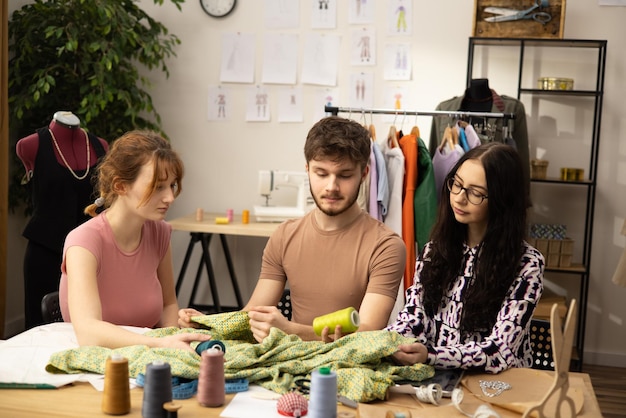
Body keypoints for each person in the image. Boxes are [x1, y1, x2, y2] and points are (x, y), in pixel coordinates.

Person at [179, 116, 407, 342]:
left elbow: (367, 334)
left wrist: (290, 331)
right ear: (307, 170)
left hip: (349, 366)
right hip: (291, 361)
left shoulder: (386, 246)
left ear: (364, 174)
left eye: (345, 176)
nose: (332, 186)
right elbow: (252, 315)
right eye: (321, 173)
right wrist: (209, 324)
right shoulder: (285, 236)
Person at [386, 142, 544, 373]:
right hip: (438, 379)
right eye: (456, 185)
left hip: (498, 387)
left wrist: (430, 355)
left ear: (502, 199)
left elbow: (500, 350)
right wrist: (388, 342)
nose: (459, 198)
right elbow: (414, 315)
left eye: (476, 193)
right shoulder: (434, 251)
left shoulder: (527, 264)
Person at [59, 130, 210, 350]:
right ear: (121, 186)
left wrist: (174, 340)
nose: (169, 197)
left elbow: (168, 305)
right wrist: (158, 344)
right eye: (158, 187)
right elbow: (88, 331)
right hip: (95, 363)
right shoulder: (84, 242)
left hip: (146, 357)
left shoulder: (159, 232)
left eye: (172, 185)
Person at [16, 111, 109, 329]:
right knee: (40, 328)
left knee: (91, 323)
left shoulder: (100, 146)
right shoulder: (30, 145)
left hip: (91, 252)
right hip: (45, 252)